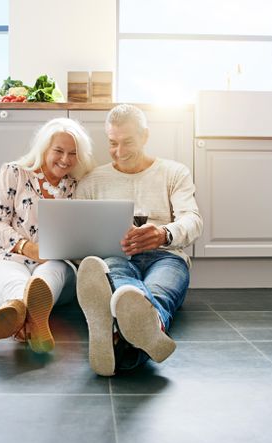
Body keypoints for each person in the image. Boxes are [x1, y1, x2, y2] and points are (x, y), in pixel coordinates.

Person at [75, 104, 203, 376]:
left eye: (127, 142)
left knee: (158, 289)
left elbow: (192, 220)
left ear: (145, 136)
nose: (119, 152)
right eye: (112, 143)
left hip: (166, 256)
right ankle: (146, 325)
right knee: (123, 282)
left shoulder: (174, 172)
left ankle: (114, 328)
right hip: (116, 255)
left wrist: (163, 233)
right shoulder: (91, 181)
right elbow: (78, 236)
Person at [0, 117, 95, 353]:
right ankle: (29, 316)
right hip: (11, 258)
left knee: (49, 274)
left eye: (73, 153)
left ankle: (20, 317)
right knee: (14, 282)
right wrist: (28, 248)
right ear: (44, 148)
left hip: (57, 263)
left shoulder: (78, 185)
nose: (65, 160)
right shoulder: (14, 172)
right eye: (59, 151)